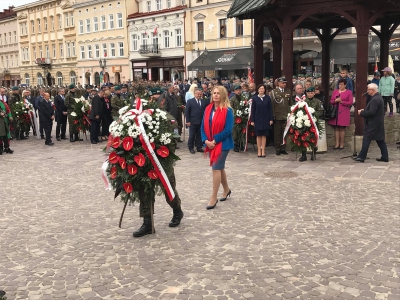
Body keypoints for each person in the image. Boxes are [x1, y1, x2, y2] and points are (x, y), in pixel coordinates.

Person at [201, 86, 234, 210]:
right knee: (220, 168)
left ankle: (213, 197)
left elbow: (228, 130)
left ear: (223, 95)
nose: (215, 95)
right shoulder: (208, 109)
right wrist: (206, 141)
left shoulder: (228, 111)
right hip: (210, 143)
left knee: (215, 168)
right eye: (214, 93)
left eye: (218, 93)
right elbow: (202, 126)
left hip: (222, 144)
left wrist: (214, 140)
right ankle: (226, 189)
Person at [353, 83, 389, 163]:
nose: (367, 91)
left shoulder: (375, 99)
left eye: (368, 89)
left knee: (367, 139)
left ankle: (362, 157)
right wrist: (364, 110)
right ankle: (385, 156)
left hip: (373, 124)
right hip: (377, 123)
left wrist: (362, 113)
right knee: (380, 140)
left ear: (372, 90)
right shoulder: (378, 97)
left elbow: (372, 112)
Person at [298, 87, 324, 162]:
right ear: (306, 93)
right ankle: (303, 155)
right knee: (303, 138)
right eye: (308, 93)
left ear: (314, 93)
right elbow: (300, 110)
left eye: (311, 93)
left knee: (313, 138)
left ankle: (313, 153)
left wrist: (314, 116)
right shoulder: (303, 101)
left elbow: (321, 111)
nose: (310, 94)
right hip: (304, 123)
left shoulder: (317, 101)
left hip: (313, 122)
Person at [328, 78, 353, 150]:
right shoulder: (335, 91)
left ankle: (342, 144)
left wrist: (342, 102)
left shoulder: (349, 92)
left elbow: (350, 102)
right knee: (336, 128)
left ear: (345, 85)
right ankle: (336, 144)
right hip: (335, 111)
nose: (340, 86)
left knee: (342, 128)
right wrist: (335, 100)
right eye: (339, 84)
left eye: (342, 84)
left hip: (344, 112)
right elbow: (331, 101)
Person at [250, 84, 274, 157]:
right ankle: (259, 150)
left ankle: (263, 150)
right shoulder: (255, 98)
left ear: (265, 90)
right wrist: (252, 120)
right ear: (258, 90)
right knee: (258, 135)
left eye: (262, 89)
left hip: (266, 119)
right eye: (260, 89)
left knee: (264, 135)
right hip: (257, 119)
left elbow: (270, 109)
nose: (261, 90)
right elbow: (253, 110)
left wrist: (271, 119)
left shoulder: (267, 98)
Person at [270, 77, 292, 156]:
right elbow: (272, 105)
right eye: (283, 83)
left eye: (285, 83)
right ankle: (277, 148)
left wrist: (291, 113)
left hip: (286, 115)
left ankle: (283, 148)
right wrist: (273, 115)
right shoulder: (273, 92)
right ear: (278, 83)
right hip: (277, 115)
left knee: (284, 132)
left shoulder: (288, 91)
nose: (284, 84)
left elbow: (290, 104)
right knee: (277, 133)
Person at [185, 88, 207, 154]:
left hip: (201, 121)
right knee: (192, 135)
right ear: (195, 94)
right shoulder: (190, 101)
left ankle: (199, 147)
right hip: (192, 121)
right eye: (198, 94)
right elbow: (187, 112)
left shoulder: (203, 101)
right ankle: (191, 147)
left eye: (200, 94)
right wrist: (188, 121)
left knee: (199, 135)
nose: (199, 95)